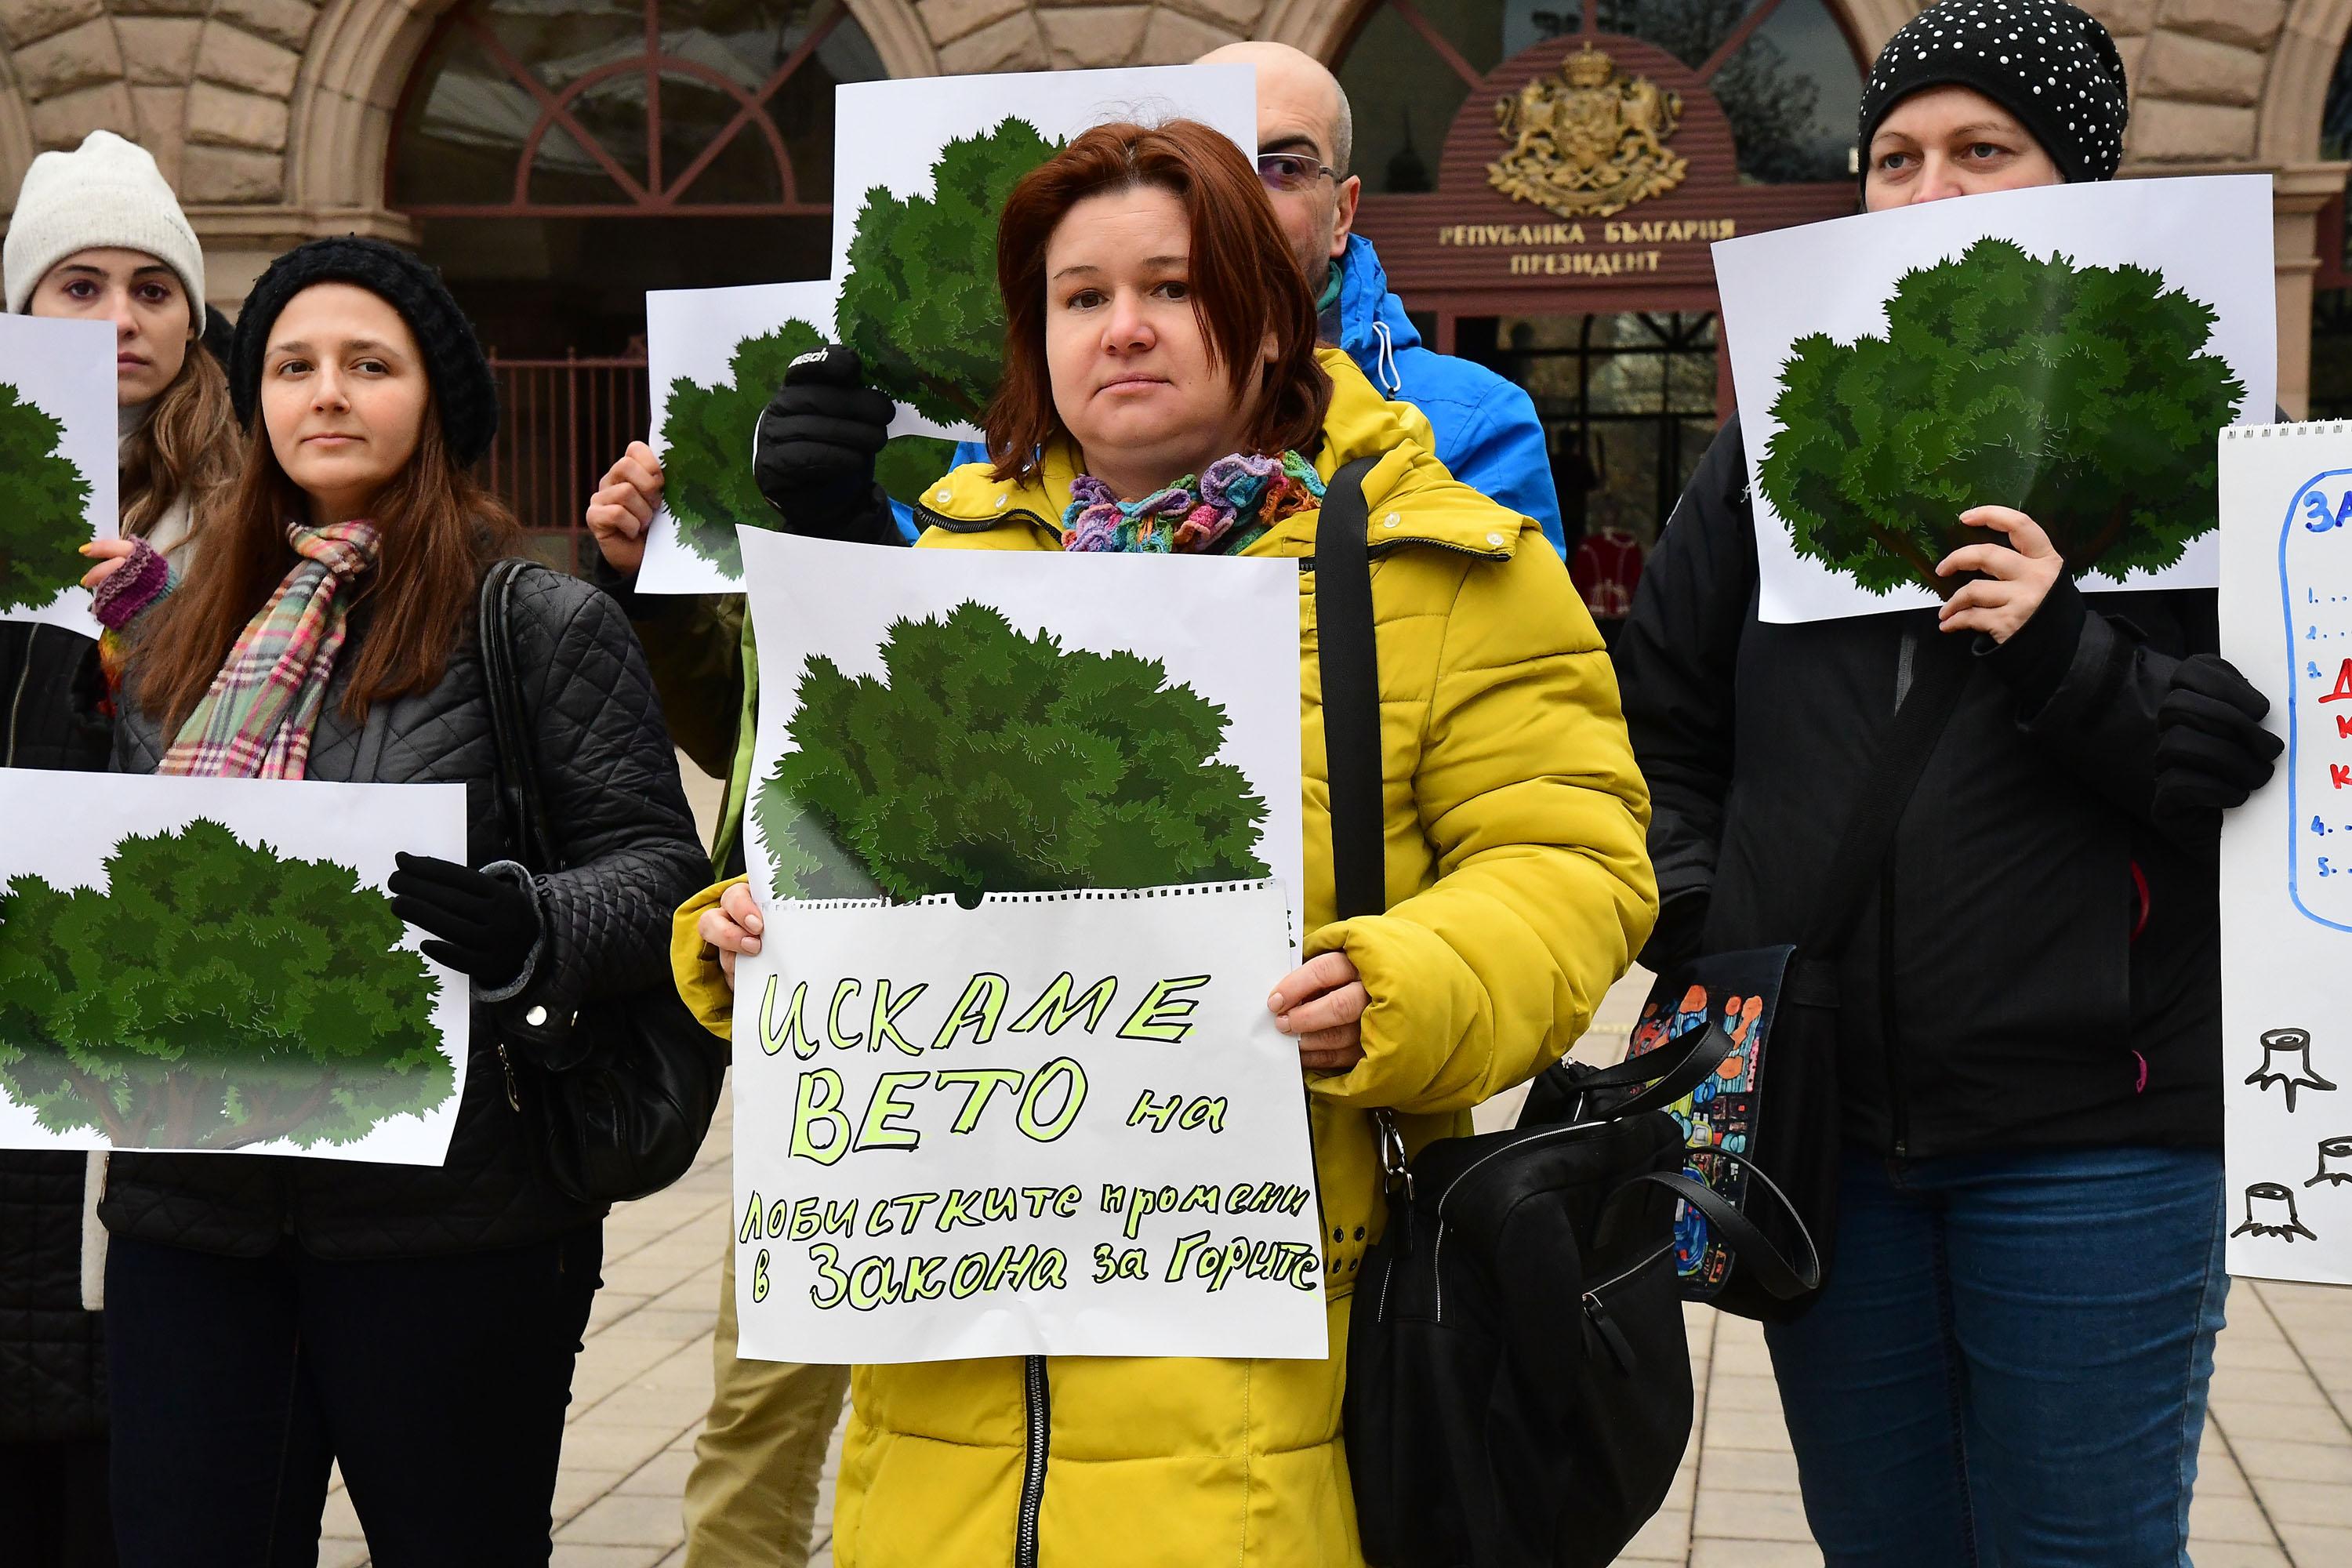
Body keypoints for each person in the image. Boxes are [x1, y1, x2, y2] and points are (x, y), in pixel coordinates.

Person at [676, 116, 1653, 1565]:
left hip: (1269, 1360)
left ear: (1267, 316)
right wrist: (752, 930)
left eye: (1174, 287)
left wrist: (1410, 982)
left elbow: (1577, 862)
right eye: (1081, 297)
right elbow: (837, 856)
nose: (1123, 328)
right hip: (946, 1372)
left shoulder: (1441, 566)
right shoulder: (933, 577)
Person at [1613, 4, 2281, 1563]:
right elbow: (1652, 716)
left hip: (2098, 1138)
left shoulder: (2199, 436)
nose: (1931, 194)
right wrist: (1714, 922)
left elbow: (2242, 755)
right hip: (1819, 1129)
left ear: (2086, 186)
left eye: (1986, 152)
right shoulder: (1770, 448)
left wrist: (2065, 648)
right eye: (1895, 158)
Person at [96, 236, 708, 1566]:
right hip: (190, 1217)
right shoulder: (175, 629)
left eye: (369, 365)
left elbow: (661, 870)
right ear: (255, 397)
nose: (327, 392)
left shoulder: (533, 618)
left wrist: (527, 921)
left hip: (453, 1229)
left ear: (434, 399)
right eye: (294, 365)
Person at [0, 127, 238, 1568]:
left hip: (142, 1032)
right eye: (78, 286)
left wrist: (151, 635)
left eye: (153, 288)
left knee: (124, 1441)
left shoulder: (249, 511)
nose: (122, 320)